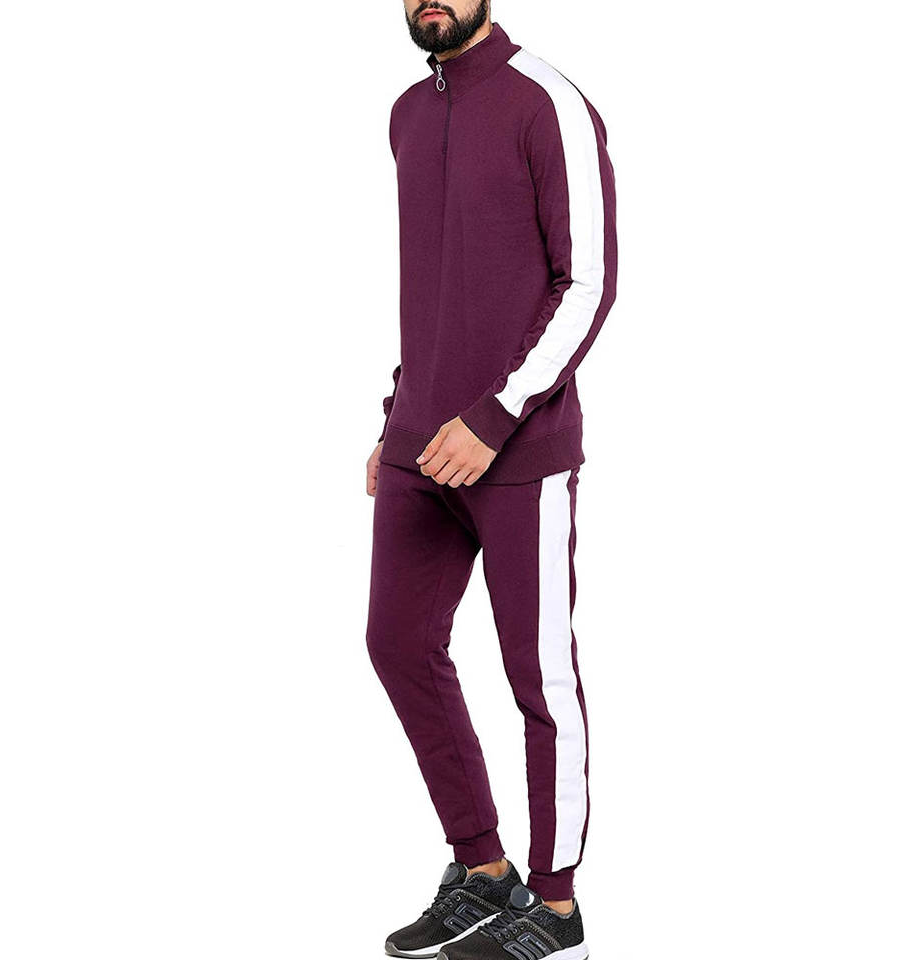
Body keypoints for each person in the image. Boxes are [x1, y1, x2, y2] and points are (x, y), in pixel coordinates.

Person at [365, 3, 617, 957]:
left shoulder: (546, 101)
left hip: (519, 448)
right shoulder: (406, 112)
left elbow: (587, 282)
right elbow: (431, 287)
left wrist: (496, 416)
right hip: (421, 442)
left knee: (538, 675)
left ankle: (555, 905)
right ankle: (482, 868)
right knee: (398, 642)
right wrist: (397, 415)